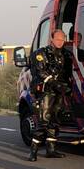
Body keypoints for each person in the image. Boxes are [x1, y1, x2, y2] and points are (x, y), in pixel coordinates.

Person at [27, 28, 73, 161]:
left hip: (59, 91)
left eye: (62, 39)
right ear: (51, 39)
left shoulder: (66, 54)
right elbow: (39, 72)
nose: (60, 42)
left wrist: (66, 87)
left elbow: (68, 72)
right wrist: (54, 82)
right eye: (58, 39)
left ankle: (51, 150)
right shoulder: (40, 53)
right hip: (45, 91)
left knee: (55, 120)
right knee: (43, 121)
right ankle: (33, 152)